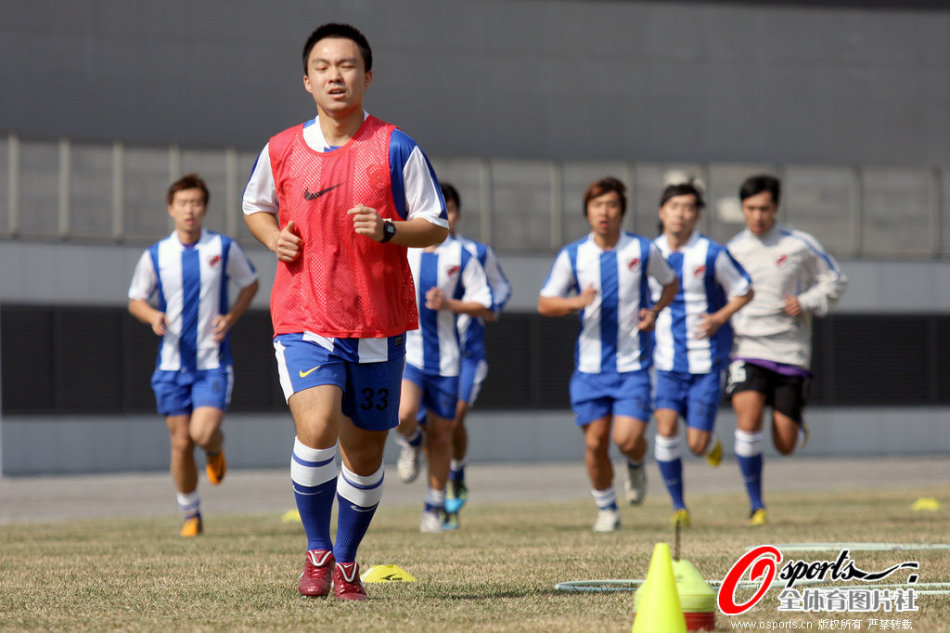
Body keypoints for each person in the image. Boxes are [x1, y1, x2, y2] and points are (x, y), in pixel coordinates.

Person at [242, 23, 448, 600]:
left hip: (378, 323)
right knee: (317, 426)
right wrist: (271, 238)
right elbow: (255, 205)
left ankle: (348, 561)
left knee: (364, 456)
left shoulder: (396, 147)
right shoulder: (281, 148)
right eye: (325, 67)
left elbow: (435, 226)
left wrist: (389, 230)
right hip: (304, 315)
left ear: (368, 76)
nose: (337, 75)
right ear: (307, 80)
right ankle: (316, 549)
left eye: (348, 65)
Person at [538, 176, 678, 532]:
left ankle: (635, 462)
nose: (604, 212)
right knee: (596, 443)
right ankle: (607, 509)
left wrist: (656, 310)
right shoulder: (573, 255)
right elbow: (545, 303)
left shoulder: (643, 250)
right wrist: (576, 302)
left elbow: (670, 282)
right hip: (589, 368)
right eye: (597, 205)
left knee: (627, 439)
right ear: (587, 211)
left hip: (632, 366)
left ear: (621, 211)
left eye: (612, 205)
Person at [128, 172, 259, 538]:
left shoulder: (223, 248)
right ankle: (191, 514)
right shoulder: (156, 255)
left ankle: (216, 449)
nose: (190, 210)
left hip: (212, 362)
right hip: (170, 365)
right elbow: (135, 299)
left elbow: (250, 283)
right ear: (171, 209)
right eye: (183, 203)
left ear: (204, 209)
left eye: (197, 203)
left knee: (202, 433)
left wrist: (230, 318)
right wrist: (152, 314)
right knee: (181, 442)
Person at [726, 174, 847, 526]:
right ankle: (756, 505)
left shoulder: (800, 244)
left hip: (790, 352)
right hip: (747, 347)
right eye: (750, 208)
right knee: (747, 422)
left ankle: (792, 416)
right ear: (743, 209)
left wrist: (806, 301)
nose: (757, 216)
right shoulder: (732, 251)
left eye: (764, 208)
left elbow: (836, 280)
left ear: (775, 207)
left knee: (784, 444)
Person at [650, 181, 753, 528]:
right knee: (664, 429)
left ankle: (708, 443)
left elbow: (744, 290)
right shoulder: (647, 252)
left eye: (689, 207)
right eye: (674, 206)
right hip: (666, 362)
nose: (681, 213)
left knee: (695, 444)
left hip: (706, 362)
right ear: (662, 211)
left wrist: (720, 318)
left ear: (697, 214)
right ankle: (679, 506)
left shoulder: (712, 253)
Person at [393, 223, 493, 533]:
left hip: (448, 360)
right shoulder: (401, 247)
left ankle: (433, 508)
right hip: (409, 354)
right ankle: (412, 442)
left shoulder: (461, 256)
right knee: (402, 414)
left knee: (441, 434)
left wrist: (450, 304)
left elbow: (485, 302)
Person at [432, 183, 511, 529]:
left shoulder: (476, 252)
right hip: (426, 352)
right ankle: (440, 486)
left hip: (467, 354)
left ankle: (456, 475)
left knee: (452, 420)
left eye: (448, 209)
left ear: (457, 213)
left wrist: (490, 307)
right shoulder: (413, 250)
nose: (443, 216)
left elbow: (501, 287)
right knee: (434, 427)